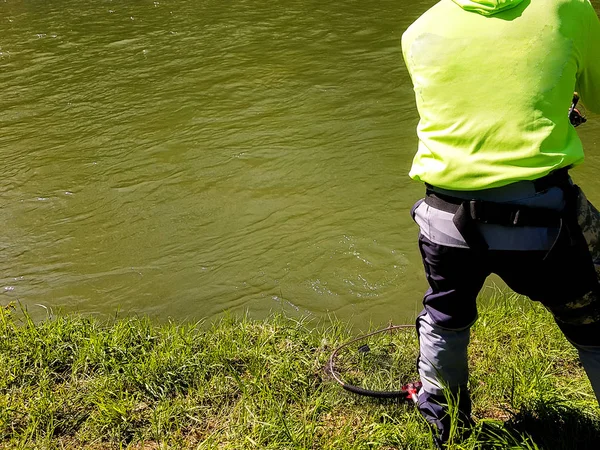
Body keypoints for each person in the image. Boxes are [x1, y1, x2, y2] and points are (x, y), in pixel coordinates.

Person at [401, 0, 600, 447]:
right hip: (544, 222)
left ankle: (447, 428)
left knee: (444, 319)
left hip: (445, 222)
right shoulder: (570, 8)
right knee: (595, 325)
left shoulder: (419, 30)